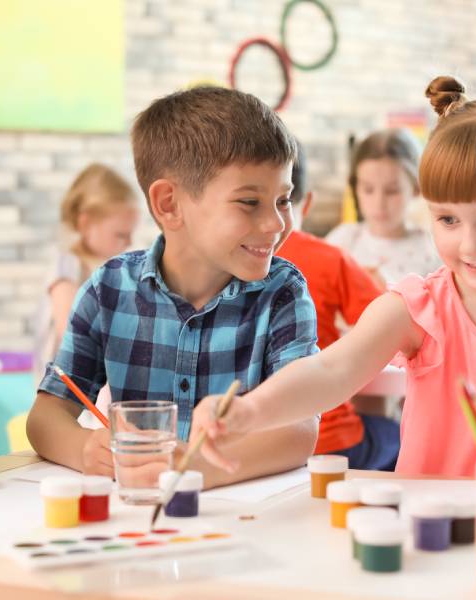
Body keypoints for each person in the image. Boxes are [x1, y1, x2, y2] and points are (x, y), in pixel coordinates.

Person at [193, 76, 476, 477]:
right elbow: (330, 371)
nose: (469, 244)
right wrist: (250, 410)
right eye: (447, 218)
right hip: (421, 532)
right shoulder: (417, 307)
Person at [27, 86, 319, 488]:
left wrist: (195, 469)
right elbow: (45, 417)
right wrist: (82, 448)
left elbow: (300, 430)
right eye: (250, 202)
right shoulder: (107, 290)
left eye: (283, 200)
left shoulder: (284, 293)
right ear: (168, 204)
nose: (276, 223)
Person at [275, 142, 398, 470]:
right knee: (396, 434)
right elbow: (387, 319)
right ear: (309, 201)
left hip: (260, 446)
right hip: (331, 439)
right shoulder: (330, 257)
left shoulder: (220, 265)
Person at [35, 163, 140, 383]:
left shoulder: (107, 269)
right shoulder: (66, 267)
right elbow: (71, 331)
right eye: (121, 234)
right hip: (62, 391)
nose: (129, 242)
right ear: (85, 223)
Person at [325, 129, 441, 287]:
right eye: (368, 190)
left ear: (415, 188)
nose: (379, 203)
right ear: (354, 187)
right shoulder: (341, 241)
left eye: (392, 191)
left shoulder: (432, 249)